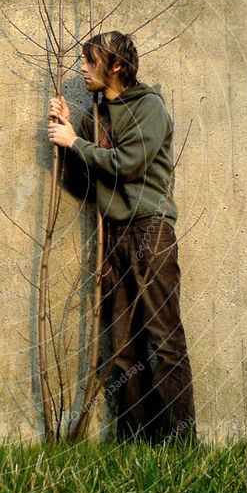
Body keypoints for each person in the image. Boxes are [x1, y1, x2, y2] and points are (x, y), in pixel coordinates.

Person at [47, 30, 197, 444]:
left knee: (163, 340)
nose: (82, 68)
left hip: (150, 228)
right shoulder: (94, 118)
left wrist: (76, 142)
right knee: (122, 348)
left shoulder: (149, 106)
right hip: (113, 234)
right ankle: (134, 446)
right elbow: (83, 183)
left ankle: (180, 445)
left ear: (115, 65)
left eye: (90, 61)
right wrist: (65, 136)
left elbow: (128, 164)